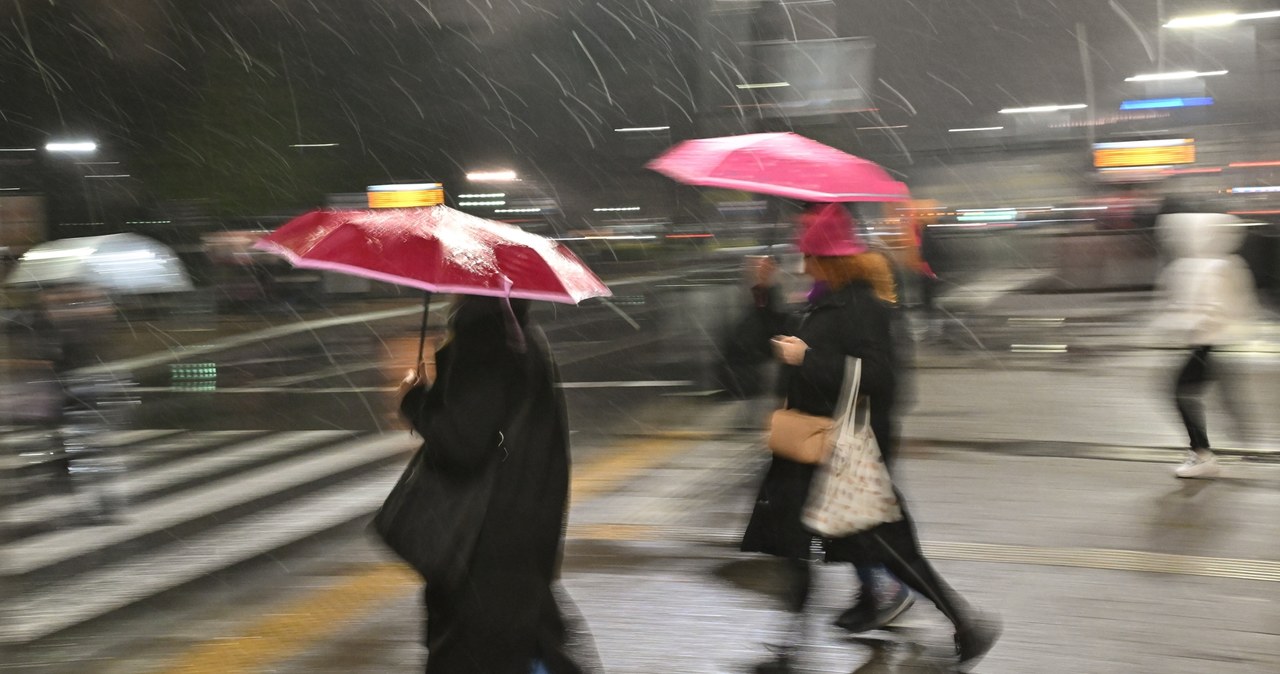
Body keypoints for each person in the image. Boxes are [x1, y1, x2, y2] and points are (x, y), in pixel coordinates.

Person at [741, 203, 999, 672]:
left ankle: (967, 622)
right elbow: (784, 344)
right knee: (798, 547)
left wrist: (808, 360)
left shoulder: (863, 307)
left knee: (888, 550)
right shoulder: (828, 300)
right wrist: (763, 297)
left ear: (831, 260)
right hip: (813, 446)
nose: (805, 264)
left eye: (811, 256)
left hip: (847, 450)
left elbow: (883, 378)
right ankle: (787, 649)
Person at [398, 295, 596, 674]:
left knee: (478, 651)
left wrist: (416, 401)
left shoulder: (484, 338)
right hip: (518, 528)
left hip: (484, 539)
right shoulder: (521, 335)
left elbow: (464, 440)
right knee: (524, 644)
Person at [1151, 208, 1260, 479]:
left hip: (1208, 344)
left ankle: (1202, 454)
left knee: (1181, 393)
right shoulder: (1211, 264)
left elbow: (1214, 309)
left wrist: (1184, 323)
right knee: (1213, 395)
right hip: (1212, 344)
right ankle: (1233, 444)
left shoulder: (1214, 267)